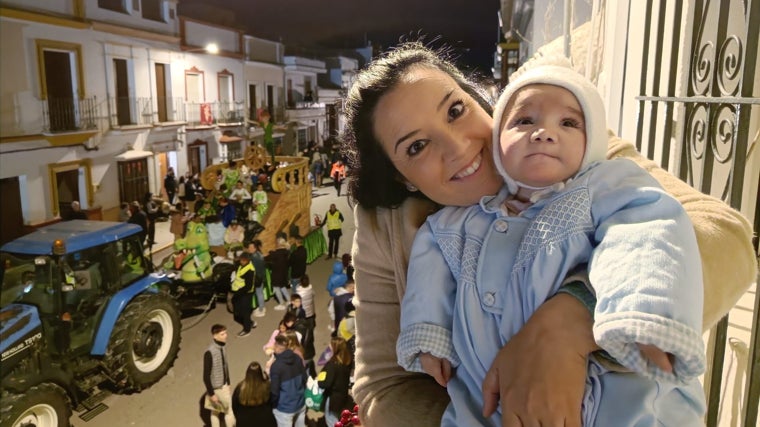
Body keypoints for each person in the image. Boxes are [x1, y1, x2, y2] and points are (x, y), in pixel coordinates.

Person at [340, 42, 757, 426]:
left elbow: (723, 237)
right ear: (400, 178)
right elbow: (384, 387)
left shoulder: (562, 142)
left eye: (455, 111)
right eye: (416, 147)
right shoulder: (388, 226)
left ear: (483, 101)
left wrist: (569, 323)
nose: (458, 146)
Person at [269, 334, 307, 427]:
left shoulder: (276, 366)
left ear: (277, 347)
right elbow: (304, 378)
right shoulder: (297, 358)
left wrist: (273, 404)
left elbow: (274, 391)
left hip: (285, 408)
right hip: (300, 403)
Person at [318, 336, 355, 427]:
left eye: (331, 345)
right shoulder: (347, 362)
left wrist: (320, 378)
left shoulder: (332, 366)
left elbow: (325, 384)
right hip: (342, 396)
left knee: (331, 420)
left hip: (333, 399)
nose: (329, 347)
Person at [203, 324, 235, 427]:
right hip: (217, 387)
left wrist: (228, 382)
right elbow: (206, 376)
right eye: (222, 334)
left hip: (224, 384)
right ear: (214, 336)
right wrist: (212, 394)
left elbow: (225, 365)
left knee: (216, 411)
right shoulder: (209, 352)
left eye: (225, 333)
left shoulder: (223, 346)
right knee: (227, 411)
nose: (226, 336)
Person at [232, 361, 277, 427]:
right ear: (260, 373)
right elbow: (273, 402)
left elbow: (235, 407)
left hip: (244, 422)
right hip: (266, 421)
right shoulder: (268, 386)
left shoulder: (239, 388)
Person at [231, 252, 256, 337]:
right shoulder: (242, 265)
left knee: (244, 312)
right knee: (238, 311)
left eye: (242, 260)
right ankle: (250, 322)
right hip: (239, 292)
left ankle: (247, 329)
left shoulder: (249, 270)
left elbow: (248, 286)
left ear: (246, 260)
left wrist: (238, 292)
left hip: (245, 293)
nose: (240, 261)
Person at [266, 237, 291, 310]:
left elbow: (266, 259)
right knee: (283, 287)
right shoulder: (286, 252)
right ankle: (289, 300)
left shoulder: (276, 254)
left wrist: (269, 253)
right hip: (284, 273)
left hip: (277, 274)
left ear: (278, 244)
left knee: (276, 288)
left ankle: (281, 303)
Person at [247, 239, 268, 317]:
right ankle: (261, 307)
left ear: (255, 248)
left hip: (257, 278)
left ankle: (261, 309)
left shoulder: (254, 258)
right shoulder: (259, 254)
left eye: (251, 247)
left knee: (259, 294)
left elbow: (253, 269)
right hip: (261, 277)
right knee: (260, 293)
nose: (249, 249)